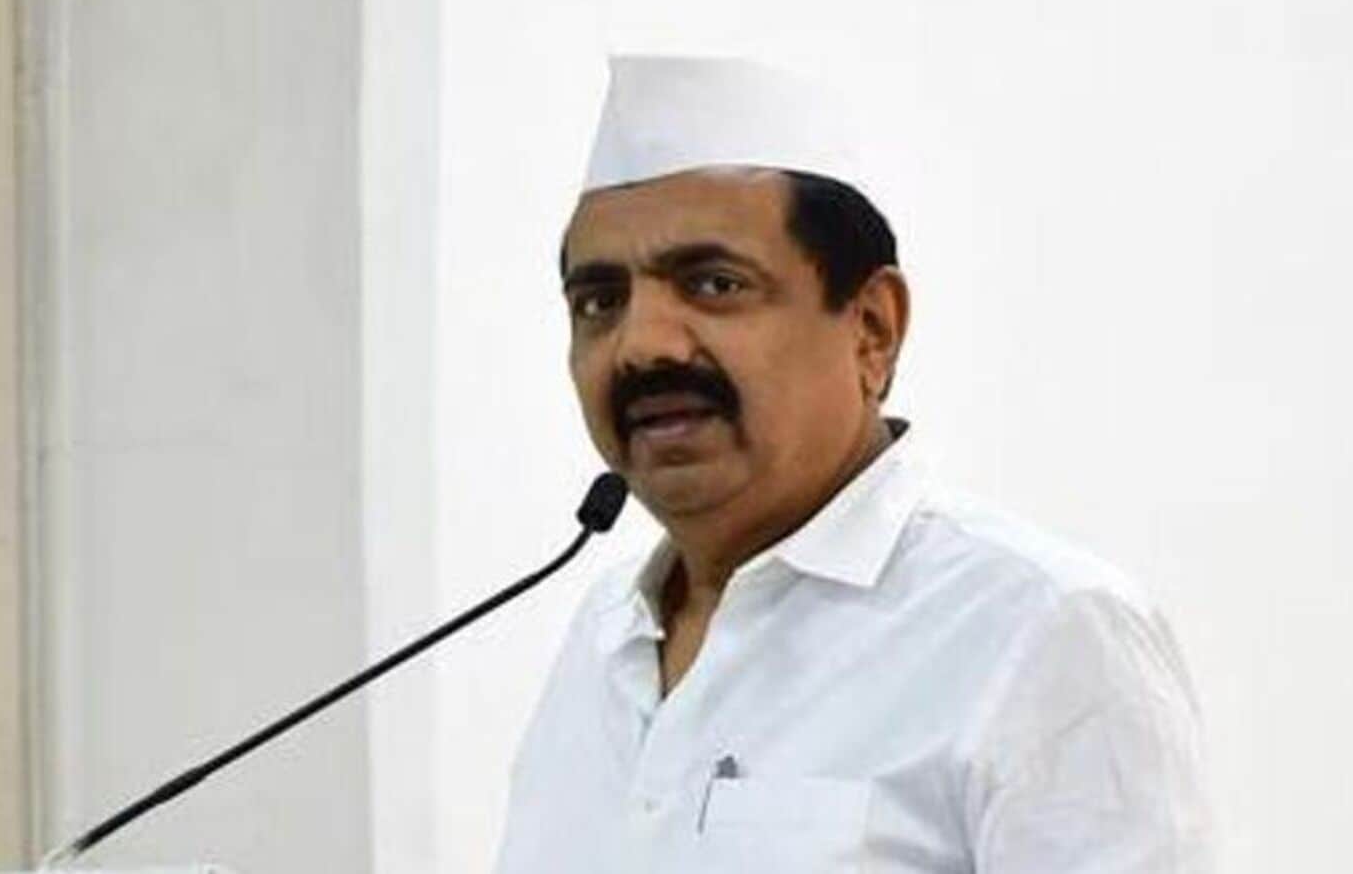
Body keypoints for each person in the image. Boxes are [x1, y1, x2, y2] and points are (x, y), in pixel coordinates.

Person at [494, 56, 1213, 873]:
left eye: (715, 284)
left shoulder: (1040, 628)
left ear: (872, 328)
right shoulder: (604, 635)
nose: (642, 344)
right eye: (599, 302)